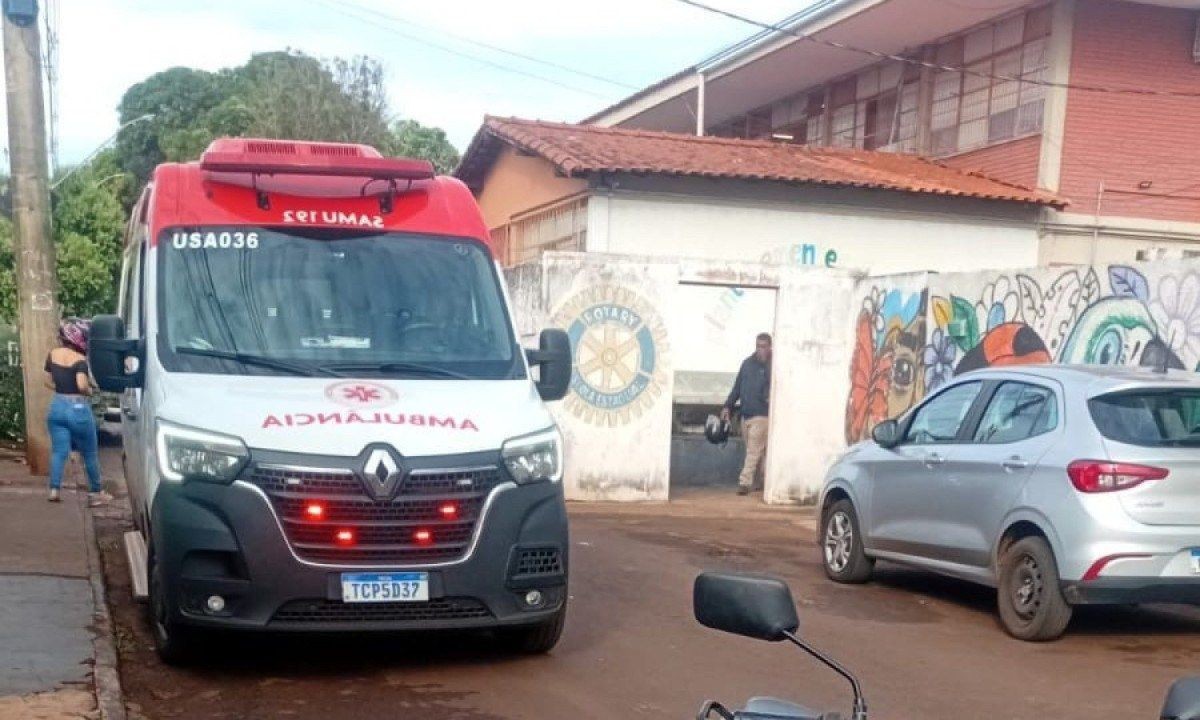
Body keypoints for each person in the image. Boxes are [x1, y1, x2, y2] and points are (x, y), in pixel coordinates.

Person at [44, 318, 107, 506]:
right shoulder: (80, 360)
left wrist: (61, 388)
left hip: (57, 406)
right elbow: (81, 385)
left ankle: (54, 489)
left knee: (58, 452)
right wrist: (90, 390)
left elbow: (47, 381)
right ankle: (96, 492)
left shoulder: (52, 354)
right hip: (77, 408)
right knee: (89, 452)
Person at [722, 333, 772, 496]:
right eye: (758, 346)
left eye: (764, 346)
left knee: (753, 451)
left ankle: (744, 482)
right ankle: (761, 481)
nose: (761, 350)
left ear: (770, 347)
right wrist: (727, 406)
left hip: (762, 415)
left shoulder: (773, 366)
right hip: (746, 414)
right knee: (757, 451)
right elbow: (737, 388)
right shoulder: (747, 364)